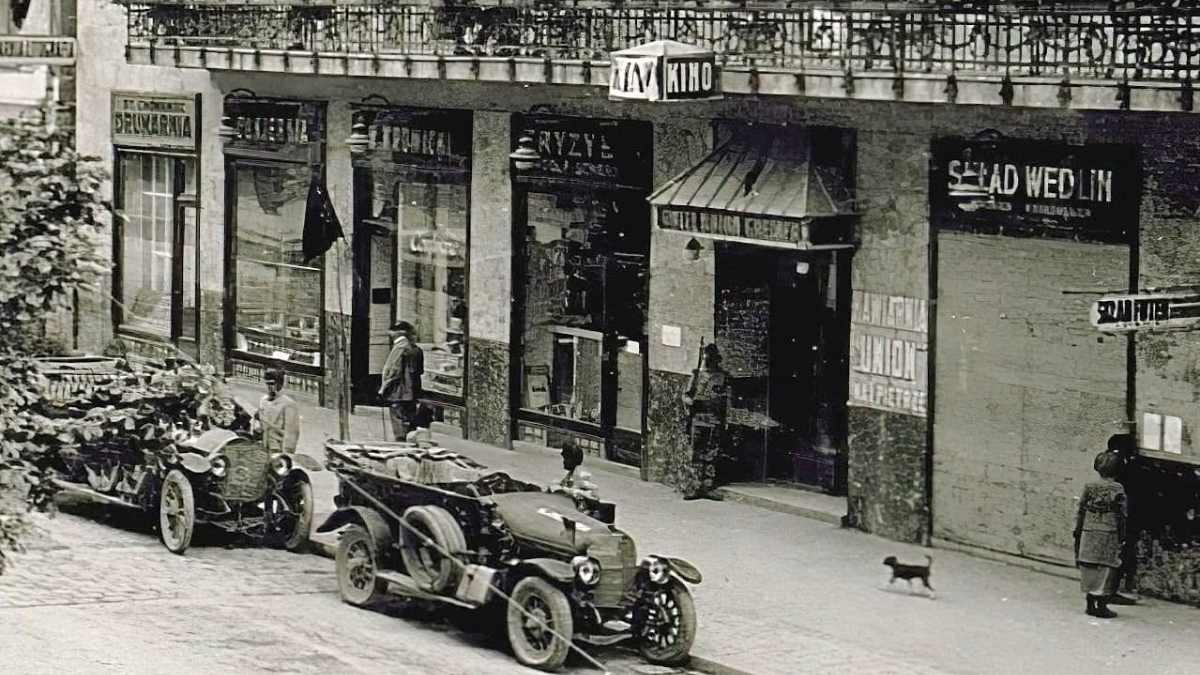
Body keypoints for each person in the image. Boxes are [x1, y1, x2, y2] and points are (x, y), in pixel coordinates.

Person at [1073, 443, 1129, 619]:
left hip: (1089, 530)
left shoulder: (1090, 487)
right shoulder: (1118, 489)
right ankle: (1102, 605)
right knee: (1106, 567)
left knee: (1089, 566)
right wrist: (1122, 534)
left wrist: (1078, 529)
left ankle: (1090, 603)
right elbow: (1122, 514)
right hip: (1108, 531)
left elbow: (1081, 509)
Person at [680, 342, 730, 501]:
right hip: (699, 418)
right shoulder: (696, 375)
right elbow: (685, 396)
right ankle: (694, 486)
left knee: (711, 454)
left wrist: (725, 418)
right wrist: (692, 402)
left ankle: (707, 487)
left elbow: (726, 399)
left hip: (714, 418)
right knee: (696, 453)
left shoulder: (722, 377)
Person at [379, 321, 425, 441]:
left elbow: (393, 370)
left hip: (398, 391)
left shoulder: (399, 348)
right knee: (410, 418)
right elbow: (420, 371)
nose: (391, 335)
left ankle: (401, 442)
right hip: (413, 391)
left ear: (399, 333)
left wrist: (384, 387)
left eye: (393, 333)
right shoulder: (417, 350)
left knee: (398, 418)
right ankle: (410, 441)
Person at [257, 369, 300, 454]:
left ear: (280, 384)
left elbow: (291, 432)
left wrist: (287, 453)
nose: (270, 387)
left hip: (278, 448)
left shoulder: (289, 404)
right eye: (267, 384)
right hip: (264, 446)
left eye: (272, 384)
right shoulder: (263, 400)